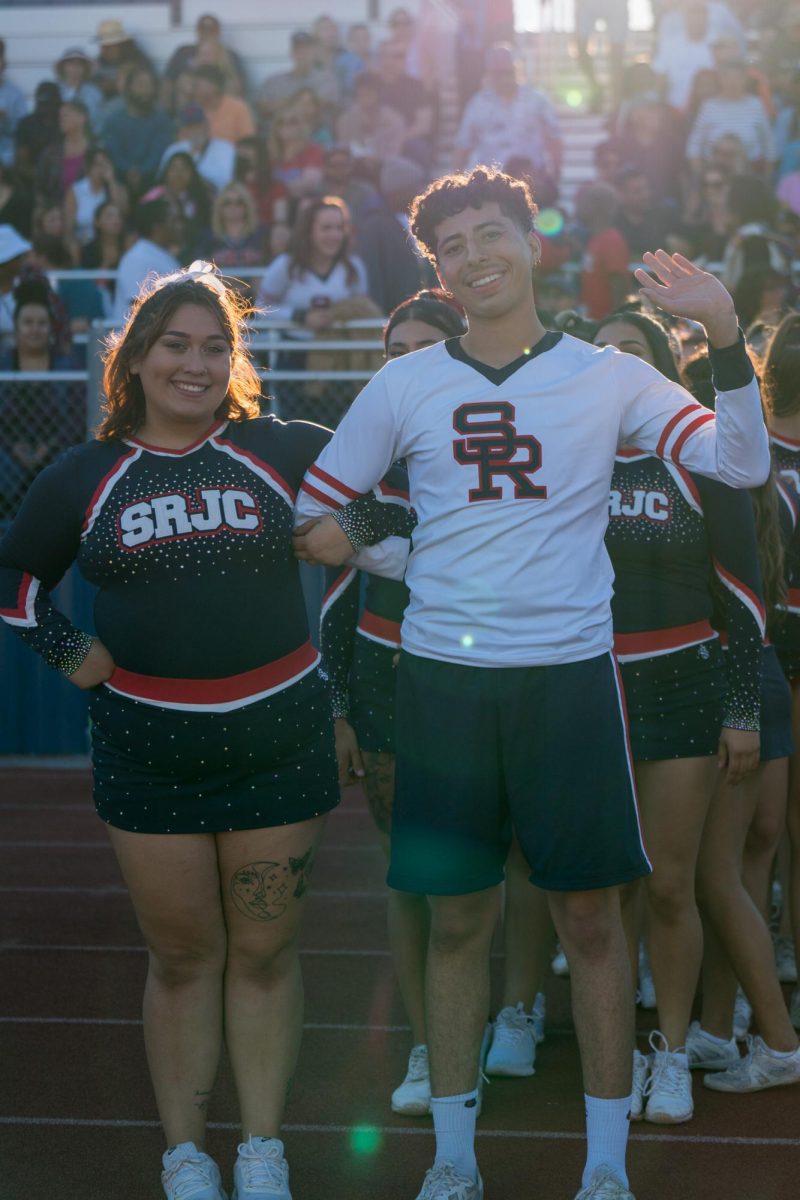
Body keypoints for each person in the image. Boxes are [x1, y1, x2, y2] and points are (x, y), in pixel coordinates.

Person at [293, 165, 770, 1200]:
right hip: (444, 687)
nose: (473, 257)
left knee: (592, 923)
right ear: (436, 269)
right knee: (459, 919)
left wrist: (722, 338)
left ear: (530, 242)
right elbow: (316, 515)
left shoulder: (602, 375)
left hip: (567, 683)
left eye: (488, 234)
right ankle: (454, 1162)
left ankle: (602, 1168)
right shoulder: (404, 382)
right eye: (450, 246)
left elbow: (736, 464)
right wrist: (406, 544)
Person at [0, 261, 414, 1200]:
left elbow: (410, 502)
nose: (196, 363)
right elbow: (13, 580)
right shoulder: (86, 474)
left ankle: (261, 1147)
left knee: (266, 954)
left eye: (215, 345)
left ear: (236, 358)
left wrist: (356, 526)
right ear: (135, 359)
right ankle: (186, 1153)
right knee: (184, 958)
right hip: (149, 749)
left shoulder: (285, 448)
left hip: (279, 734)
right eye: (175, 344)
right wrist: (70, 651)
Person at [593, 309, 764, 1125]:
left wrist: (740, 708)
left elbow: (742, 591)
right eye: (603, 355)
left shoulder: (696, 454)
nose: (616, 367)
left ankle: (670, 1052)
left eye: (633, 353)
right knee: (608, 887)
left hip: (684, 685)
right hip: (589, 687)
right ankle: (614, 1048)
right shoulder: (567, 456)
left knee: (668, 883)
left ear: (661, 368)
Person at [320, 290, 468, 1115]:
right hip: (387, 688)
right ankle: (427, 1041)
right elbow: (338, 597)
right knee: (411, 877)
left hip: (489, 681)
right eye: (394, 348)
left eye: (424, 346)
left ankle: (509, 1014)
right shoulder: (363, 460)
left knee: (502, 869)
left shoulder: (500, 445)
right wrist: (339, 706)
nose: (407, 362)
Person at [454, 43, 562, 193]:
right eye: (499, 73)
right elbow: (463, 145)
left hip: (531, 180)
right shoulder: (477, 104)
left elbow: (554, 137)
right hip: (490, 184)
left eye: (509, 72)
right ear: (489, 74)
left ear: (517, 70)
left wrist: (556, 172)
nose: (505, 78)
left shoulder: (537, 100)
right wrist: (458, 181)